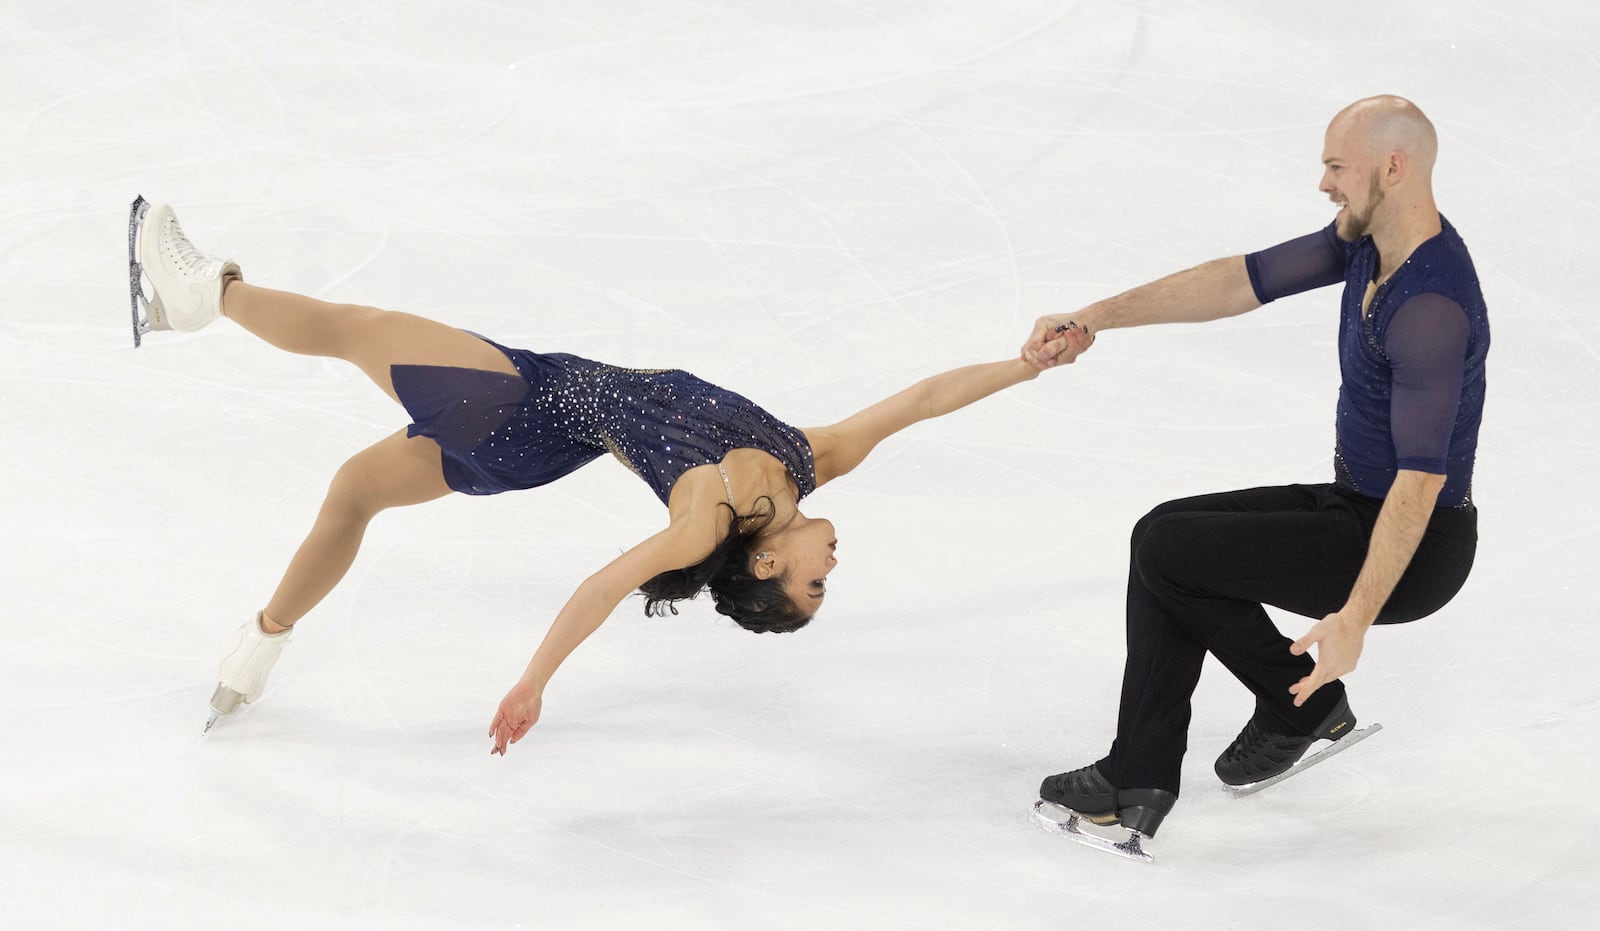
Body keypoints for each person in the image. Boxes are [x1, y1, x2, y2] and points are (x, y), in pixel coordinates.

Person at [128, 198, 1094, 754]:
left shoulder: (706, 515)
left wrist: (532, 682)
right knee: (353, 493)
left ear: (764, 567)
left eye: (814, 582)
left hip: (516, 404)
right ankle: (254, 652)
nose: (831, 564)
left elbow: (599, 587)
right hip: (529, 445)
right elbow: (923, 398)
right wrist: (1024, 365)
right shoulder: (811, 459)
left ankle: (203, 291)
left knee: (352, 330)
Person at [1020, 95, 1488, 840]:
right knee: (1164, 534)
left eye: (1338, 166)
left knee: (1172, 554)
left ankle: (1149, 768)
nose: (1326, 183)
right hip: (1357, 506)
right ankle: (1250, 723)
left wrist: (1355, 620)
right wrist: (1095, 318)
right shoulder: (1368, 239)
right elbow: (1242, 279)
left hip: (1416, 544)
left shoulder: (1430, 307)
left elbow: (1421, 483)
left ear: (1393, 168)